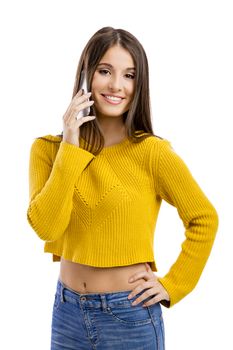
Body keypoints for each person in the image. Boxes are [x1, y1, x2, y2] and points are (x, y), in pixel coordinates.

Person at [26, 26, 219, 350]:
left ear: (139, 85)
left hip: (129, 314)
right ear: (86, 74)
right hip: (67, 313)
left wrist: (173, 284)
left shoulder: (151, 152)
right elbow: (47, 227)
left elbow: (204, 217)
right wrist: (70, 146)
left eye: (129, 75)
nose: (116, 85)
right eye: (105, 71)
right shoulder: (48, 150)